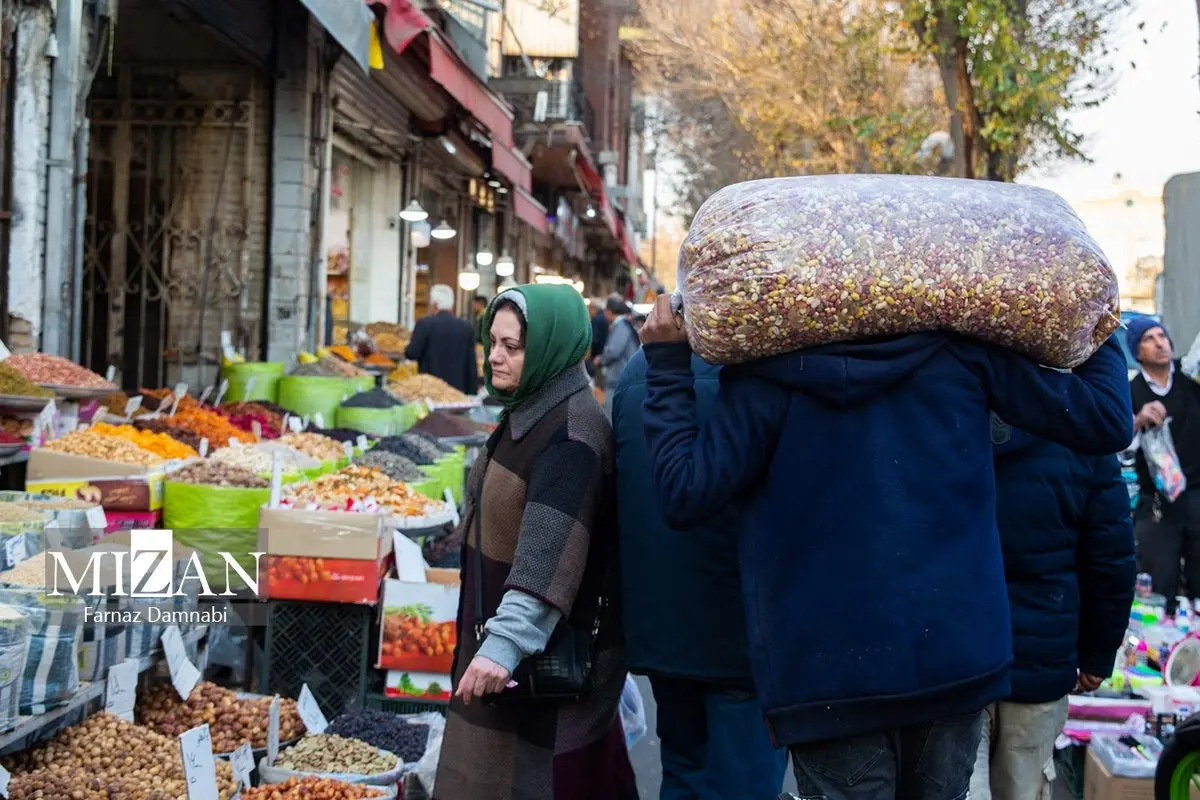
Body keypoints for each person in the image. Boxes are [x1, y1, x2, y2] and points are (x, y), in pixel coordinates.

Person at [637, 294, 1132, 800]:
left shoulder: (769, 375)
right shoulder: (959, 355)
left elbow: (684, 491)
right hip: (955, 661)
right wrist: (1095, 314)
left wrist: (669, 365)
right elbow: (1107, 418)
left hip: (826, 678)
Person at [435, 284, 636, 800]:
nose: (495, 357)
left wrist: (501, 646)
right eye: (493, 342)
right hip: (508, 656)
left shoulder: (571, 437)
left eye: (513, 346)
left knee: (539, 784)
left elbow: (549, 554)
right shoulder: (527, 412)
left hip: (538, 668)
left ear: (549, 348)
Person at [613, 348, 788, 799]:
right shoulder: (762, 367)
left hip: (664, 631)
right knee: (744, 783)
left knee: (683, 771)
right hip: (743, 640)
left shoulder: (639, 368)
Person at [970, 414, 1135, 800]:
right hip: (1040, 659)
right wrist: (1097, 653)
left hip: (956, 661)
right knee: (1024, 787)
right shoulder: (1080, 426)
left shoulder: (947, 410)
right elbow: (1110, 561)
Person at [1127, 317, 1200, 610]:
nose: (1160, 343)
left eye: (1162, 336)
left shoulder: (1190, 379)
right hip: (1157, 502)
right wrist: (1139, 419)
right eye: (1149, 339)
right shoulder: (1130, 393)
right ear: (1137, 352)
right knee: (1158, 584)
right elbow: (1119, 447)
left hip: (1197, 495)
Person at [404, 284, 478, 395]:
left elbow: (412, 353)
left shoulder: (425, 324)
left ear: (433, 304)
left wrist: (406, 347)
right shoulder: (465, 327)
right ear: (452, 305)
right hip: (457, 391)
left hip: (431, 389)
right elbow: (471, 363)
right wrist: (472, 392)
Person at [595, 295, 640, 406]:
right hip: (619, 378)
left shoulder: (621, 326)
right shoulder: (621, 325)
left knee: (611, 415)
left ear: (609, 311)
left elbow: (614, 351)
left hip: (618, 379)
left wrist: (600, 359)